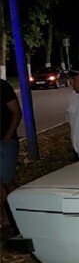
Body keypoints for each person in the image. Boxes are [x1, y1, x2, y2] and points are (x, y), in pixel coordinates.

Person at [0, 78, 22, 232]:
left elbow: (16, 112)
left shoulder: (2, 86)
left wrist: (8, 135)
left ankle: (21, 215)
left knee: (8, 181)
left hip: (5, 143)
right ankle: (7, 218)